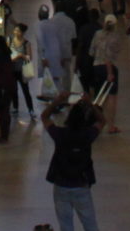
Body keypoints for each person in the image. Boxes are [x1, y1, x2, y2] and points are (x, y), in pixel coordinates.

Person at [42, 88, 107, 231]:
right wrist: (90, 104)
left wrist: (57, 101)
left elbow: (45, 117)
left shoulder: (60, 134)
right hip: (81, 184)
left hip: (61, 184)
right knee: (90, 224)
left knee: (66, 225)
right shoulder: (88, 135)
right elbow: (102, 121)